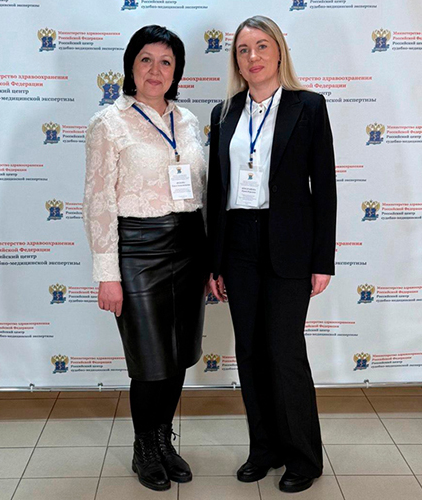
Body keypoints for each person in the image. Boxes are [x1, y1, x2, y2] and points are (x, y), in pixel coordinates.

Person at [206, 15, 336, 494]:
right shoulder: (224, 113)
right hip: (238, 243)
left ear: (279, 51)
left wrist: (322, 260)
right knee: (250, 351)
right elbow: (216, 192)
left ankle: (303, 456)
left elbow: (325, 188)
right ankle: (264, 449)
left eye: (262, 46)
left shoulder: (309, 106)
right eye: (243, 50)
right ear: (236, 61)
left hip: (289, 246)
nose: (253, 57)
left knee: (285, 352)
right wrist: (214, 261)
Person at [83, 25, 206, 492]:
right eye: (146, 60)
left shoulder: (188, 120)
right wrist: (107, 274)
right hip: (138, 250)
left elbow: (201, 191)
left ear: (177, 72)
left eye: (166, 62)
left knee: (178, 356)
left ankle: (162, 440)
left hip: (189, 247)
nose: (156, 70)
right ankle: (143, 448)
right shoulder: (108, 123)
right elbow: (98, 201)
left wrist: (211, 260)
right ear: (130, 66)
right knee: (150, 360)